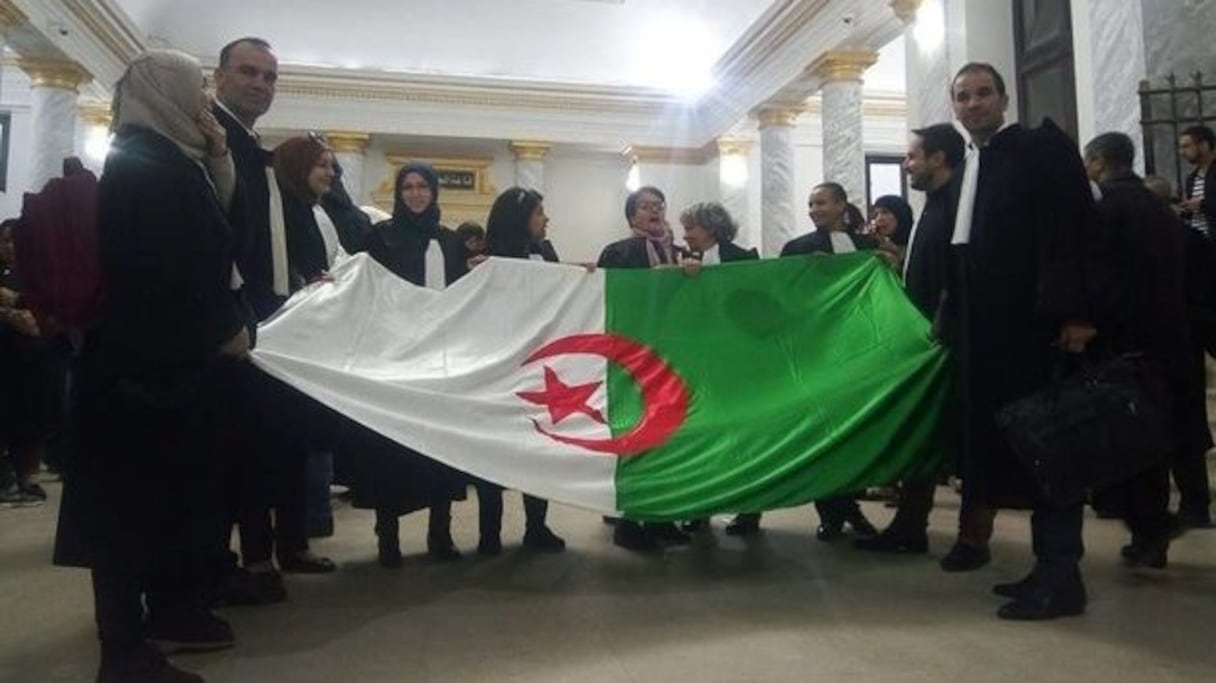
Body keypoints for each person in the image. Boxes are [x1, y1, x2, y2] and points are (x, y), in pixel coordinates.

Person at [54, 49, 249, 683]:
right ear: (164, 93)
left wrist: (217, 153)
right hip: (142, 373)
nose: (205, 101)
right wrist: (223, 330)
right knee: (128, 514)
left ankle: (169, 614)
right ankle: (124, 652)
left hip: (159, 367)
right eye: (195, 89)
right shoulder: (148, 166)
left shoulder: (169, 158)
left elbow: (215, 232)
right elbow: (175, 270)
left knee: (163, 502)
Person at [944, 63, 1100, 620]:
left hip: (1037, 331)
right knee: (1019, 453)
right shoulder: (977, 163)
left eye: (984, 93)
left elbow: (1070, 231)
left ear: (1004, 99)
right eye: (963, 96)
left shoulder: (1039, 148)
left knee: (1050, 448)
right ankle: (1047, 567)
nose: (974, 104)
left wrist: (1076, 313)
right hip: (993, 336)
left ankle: (1063, 577)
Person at [346, 162, 469, 567]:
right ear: (399, 195)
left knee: (440, 447)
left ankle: (441, 533)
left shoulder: (450, 242)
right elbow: (366, 286)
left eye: (423, 187)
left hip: (440, 359)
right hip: (396, 357)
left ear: (434, 193)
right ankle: (389, 538)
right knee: (393, 449)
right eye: (408, 188)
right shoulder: (380, 237)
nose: (416, 194)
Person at [1083, 131, 1194, 567]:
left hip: (1122, 338)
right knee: (1153, 435)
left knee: (1127, 439)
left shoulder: (1105, 208)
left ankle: (1150, 526)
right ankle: (1150, 527)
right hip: (1167, 333)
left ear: (1096, 162)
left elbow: (1100, 274)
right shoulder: (1161, 208)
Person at [855, 123, 965, 556]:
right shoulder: (934, 205)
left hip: (943, 340)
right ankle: (911, 524)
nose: (906, 164)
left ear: (937, 159)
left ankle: (967, 537)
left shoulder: (956, 204)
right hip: (929, 337)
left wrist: (938, 326)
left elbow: (956, 273)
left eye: (913, 156)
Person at [470, 187, 582, 555]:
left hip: (541, 364)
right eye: (538, 213)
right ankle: (489, 533)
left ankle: (537, 526)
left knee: (539, 447)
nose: (546, 219)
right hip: (500, 368)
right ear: (520, 219)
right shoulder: (488, 260)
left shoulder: (546, 252)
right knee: (494, 453)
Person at [776, 182, 882, 542]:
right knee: (825, 434)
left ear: (841, 205)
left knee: (857, 435)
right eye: (809, 204)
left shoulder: (868, 247)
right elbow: (783, 295)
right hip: (818, 352)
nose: (813, 209)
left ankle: (850, 505)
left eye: (821, 202)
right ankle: (833, 513)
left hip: (862, 350)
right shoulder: (797, 249)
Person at [596, 186, 691, 552]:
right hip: (632, 359)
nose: (654, 211)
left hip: (672, 356)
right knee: (637, 436)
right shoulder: (618, 251)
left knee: (668, 437)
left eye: (658, 205)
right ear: (631, 215)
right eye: (644, 206)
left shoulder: (680, 252)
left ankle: (661, 516)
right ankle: (629, 523)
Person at [670, 202, 759, 534]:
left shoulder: (745, 257)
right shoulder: (682, 261)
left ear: (710, 228)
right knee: (701, 436)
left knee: (742, 438)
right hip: (698, 363)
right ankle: (700, 507)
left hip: (737, 362)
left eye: (690, 227)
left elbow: (754, 306)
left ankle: (750, 511)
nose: (685, 234)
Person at [1180, 124, 1215, 240]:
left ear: (1204, 145)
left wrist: (1202, 204)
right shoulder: (1191, 179)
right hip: (1201, 246)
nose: (1182, 152)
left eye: (1186, 146)